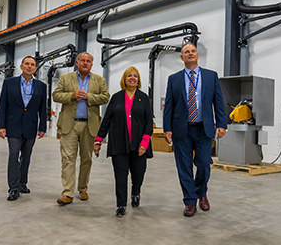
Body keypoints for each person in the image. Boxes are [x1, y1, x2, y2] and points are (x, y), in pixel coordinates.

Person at [163, 43, 227, 217]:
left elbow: (218, 102)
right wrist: (167, 128)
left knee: (204, 164)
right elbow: (169, 106)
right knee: (184, 166)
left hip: (203, 128)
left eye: (192, 51)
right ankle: (190, 201)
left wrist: (222, 123)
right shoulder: (174, 79)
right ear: (181, 57)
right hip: (181, 129)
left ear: (197, 55)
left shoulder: (210, 76)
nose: (190, 54)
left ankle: (201, 192)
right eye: (186, 52)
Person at [94, 66, 153, 217]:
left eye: (135, 76)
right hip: (119, 143)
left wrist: (145, 142)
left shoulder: (144, 97)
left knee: (138, 173)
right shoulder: (116, 97)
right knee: (120, 176)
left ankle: (136, 192)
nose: (132, 78)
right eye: (129, 76)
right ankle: (121, 205)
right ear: (124, 79)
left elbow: (148, 122)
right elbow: (106, 120)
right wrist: (98, 140)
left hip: (140, 144)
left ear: (138, 79)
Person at [53, 52, 109, 205]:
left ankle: (83, 188)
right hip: (69, 125)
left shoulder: (99, 80)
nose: (85, 63)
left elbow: (105, 97)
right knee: (68, 158)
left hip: (89, 125)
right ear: (77, 63)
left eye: (88, 61)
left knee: (87, 159)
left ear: (92, 64)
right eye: (82, 60)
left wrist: (88, 97)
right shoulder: (66, 78)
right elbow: (56, 95)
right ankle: (68, 193)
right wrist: (72, 95)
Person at [0, 56, 47, 201]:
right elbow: (2, 106)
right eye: (27, 64)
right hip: (13, 125)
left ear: (35, 68)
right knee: (14, 155)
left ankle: (22, 183)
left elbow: (43, 108)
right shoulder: (9, 83)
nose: (30, 66)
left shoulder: (41, 86)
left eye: (32, 64)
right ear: (21, 66)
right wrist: (1, 126)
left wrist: (42, 126)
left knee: (26, 156)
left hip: (30, 126)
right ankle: (13, 188)